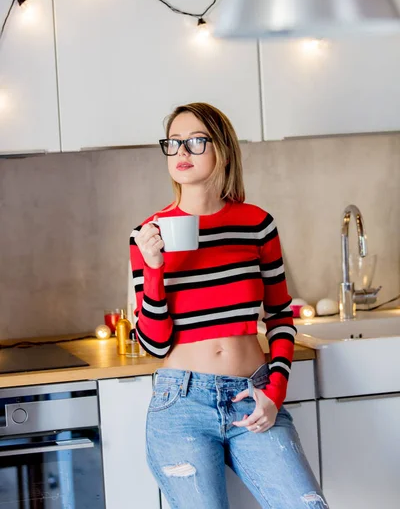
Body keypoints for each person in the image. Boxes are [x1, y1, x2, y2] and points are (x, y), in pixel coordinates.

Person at [129, 102, 329, 509]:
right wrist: (153, 269)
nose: (181, 152)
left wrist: (275, 389)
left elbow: (280, 317)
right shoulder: (148, 233)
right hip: (181, 404)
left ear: (221, 149)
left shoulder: (257, 224)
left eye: (196, 141)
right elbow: (153, 343)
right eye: (174, 143)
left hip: (252, 393)